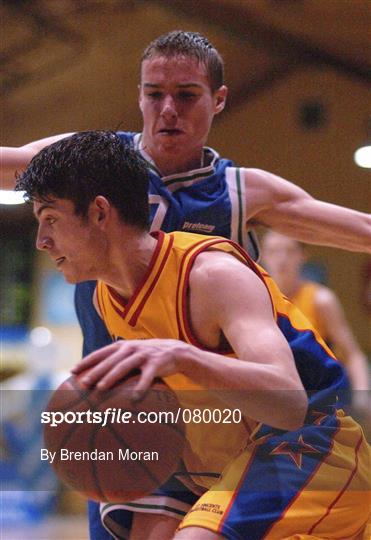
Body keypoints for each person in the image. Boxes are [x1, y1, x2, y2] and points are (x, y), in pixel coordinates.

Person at [4, 30, 371, 538]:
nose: (168, 110)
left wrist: (181, 355)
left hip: (265, 419)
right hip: (141, 410)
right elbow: (14, 164)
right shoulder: (90, 168)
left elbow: (361, 230)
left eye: (186, 94)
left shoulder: (238, 197)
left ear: (219, 100)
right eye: (154, 94)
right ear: (137, 96)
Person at [261, 231, 370, 421]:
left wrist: (363, 395)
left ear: (303, 256)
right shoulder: (258, 299)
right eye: (274, 251)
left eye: (289, 251)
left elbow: (352, 354)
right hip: (279, 400)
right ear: (262, 255)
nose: (282, 259)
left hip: (323, 399)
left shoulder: (321, 300)